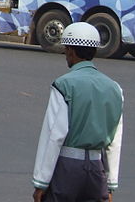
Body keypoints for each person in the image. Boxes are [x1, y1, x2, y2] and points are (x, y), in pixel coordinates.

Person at [32, 22, 124, 202]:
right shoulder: (115, 89)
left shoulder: (64, 85)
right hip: (97, 169)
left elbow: (54, 136)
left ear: (71, 51)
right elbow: (115, 141)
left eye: (66, 49)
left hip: (67, 168)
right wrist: (111, 183)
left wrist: (41, 182)